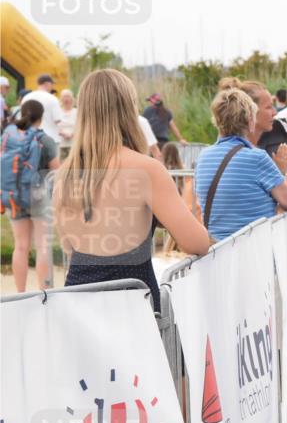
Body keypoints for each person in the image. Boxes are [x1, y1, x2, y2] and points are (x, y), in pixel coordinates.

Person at [53, 70, 211, 312]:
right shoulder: (146, 169)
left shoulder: (65, 173)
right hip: (134, 305)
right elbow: (197, 242)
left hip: (76, 302)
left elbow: (68, 245)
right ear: (128, 111)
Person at [194, 87, 287, 241]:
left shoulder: (203, 157)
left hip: (216, 250)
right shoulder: (257, 157)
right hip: (254, 247)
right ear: (250, 121)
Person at [1, 100, 60, 292]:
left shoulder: (8, 137)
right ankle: (45, 294)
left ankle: (20, 293)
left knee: (20, 246)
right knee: (43, 246)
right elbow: (56, 172)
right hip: (39, 197)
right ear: (41, 118)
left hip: (15, 196)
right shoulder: (45, 140)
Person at [21, 74, 62, 142]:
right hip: (51, 138)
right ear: (46, 84)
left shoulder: (26, 98)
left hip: (30, 139)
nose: (52, 87)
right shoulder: (53, 98)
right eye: (52, 84)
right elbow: (57, 120)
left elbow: (23, 119)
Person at [57, 89, 78, 160]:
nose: (66, 99)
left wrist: (72, 134)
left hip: (74, 144)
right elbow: (54, 126)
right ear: (61, 98)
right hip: (60, 144)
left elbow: (80, 126)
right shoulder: (57, 112)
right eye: (64, 97)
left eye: (68, 96)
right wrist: (62, 133)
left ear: (72, 98)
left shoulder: (77, 112)